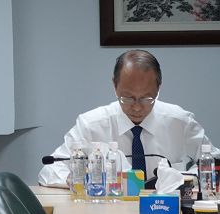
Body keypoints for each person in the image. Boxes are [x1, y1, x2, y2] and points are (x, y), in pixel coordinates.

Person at [38, 49, 218, 187]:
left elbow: (215, 162)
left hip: (166, 211)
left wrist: (186, 179)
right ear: (114, 86)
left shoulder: (180, 123)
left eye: (147, 98)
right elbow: (49, 170)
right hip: (108, 213)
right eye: (128, 98)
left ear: (159, 88)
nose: (137, 107)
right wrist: (78, 179)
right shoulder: (91, 125)